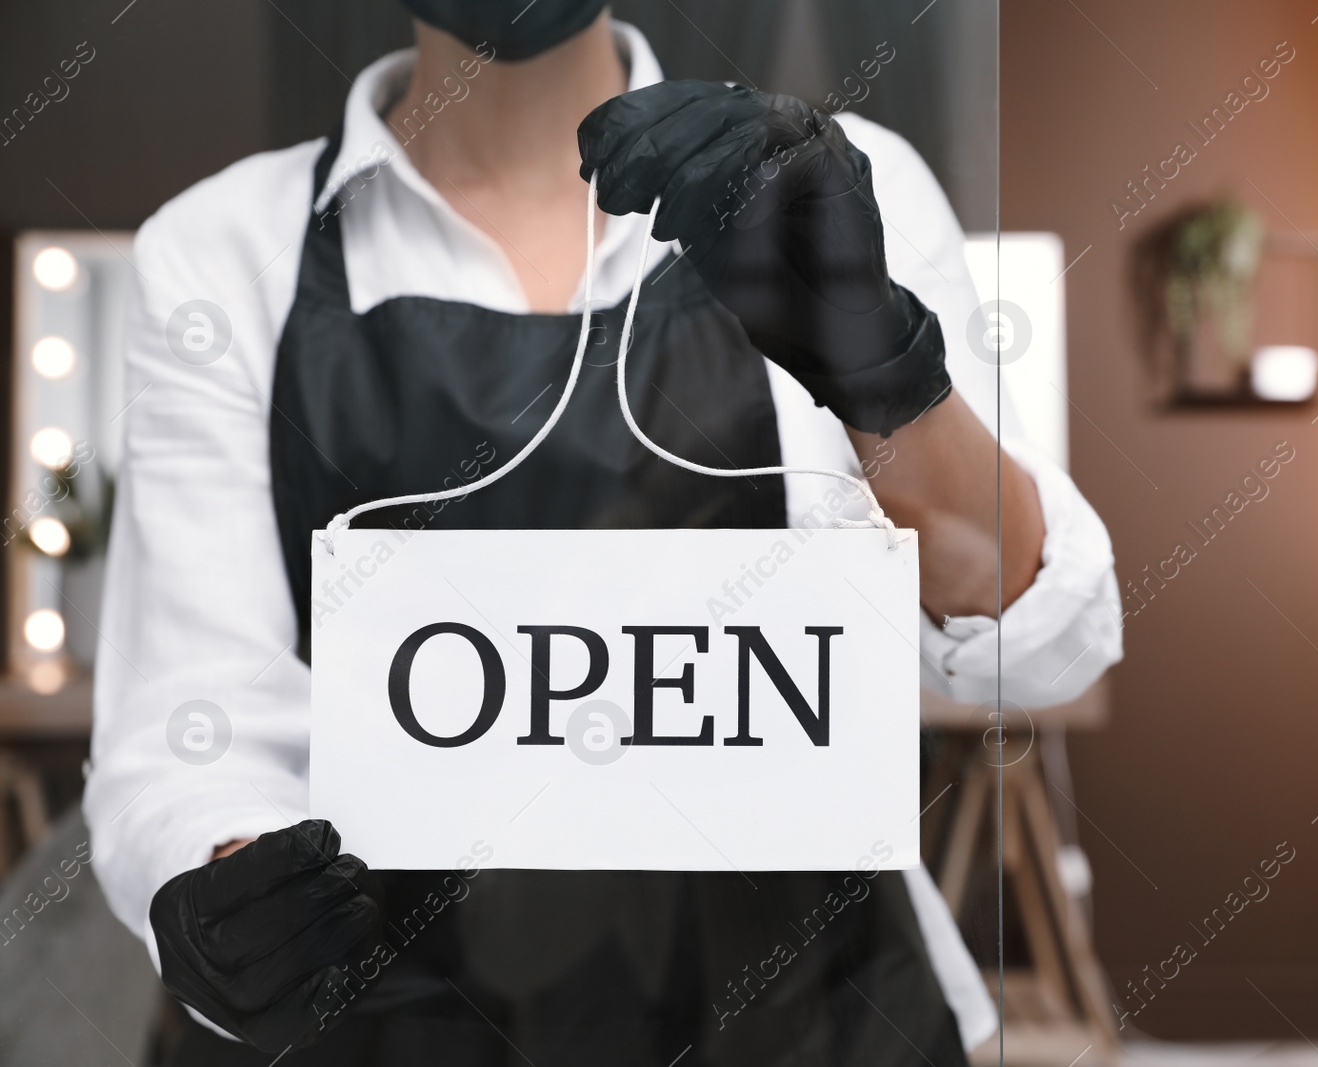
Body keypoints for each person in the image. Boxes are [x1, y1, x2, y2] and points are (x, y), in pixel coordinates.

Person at [83, 2, 1123, 1064]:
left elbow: (1043, 642)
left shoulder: (843, 180)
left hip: (815, 1018)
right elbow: (186, 731)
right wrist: (225, 888)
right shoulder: (221, 251)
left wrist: (889, 375)